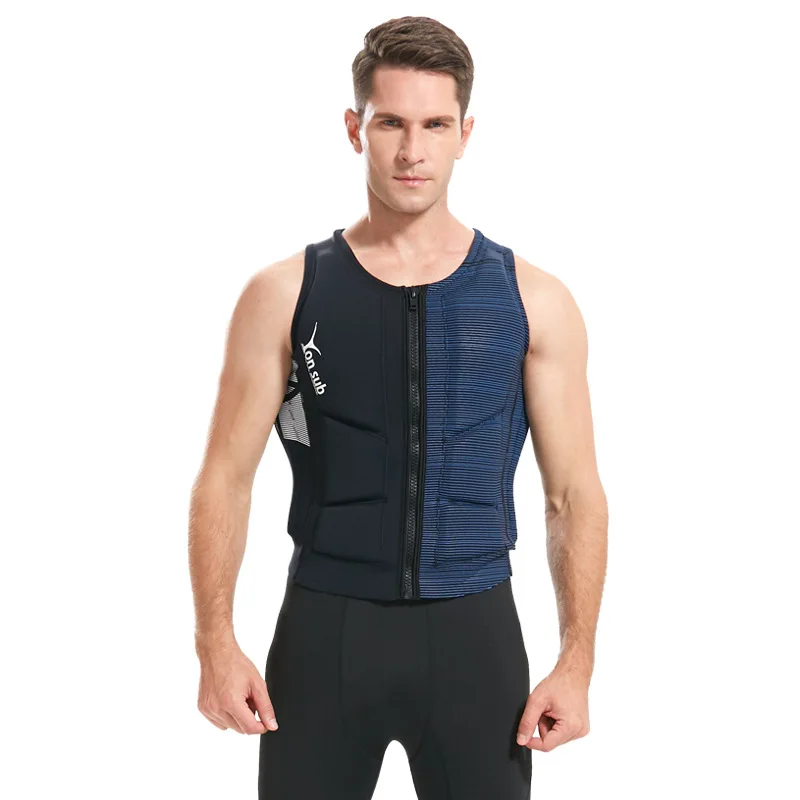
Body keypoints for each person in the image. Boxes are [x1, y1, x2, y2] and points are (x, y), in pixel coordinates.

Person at [188, 15, 608, 800]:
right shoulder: (284, 295)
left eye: (435, 125)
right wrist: (215, 642)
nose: (413, 150)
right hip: (325, 636)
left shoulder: (532, 301)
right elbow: (224, 478)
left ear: (465, 134)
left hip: (474, 641)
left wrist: (576, 662)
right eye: (391, 124)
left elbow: (573, 494)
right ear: (356, 128)